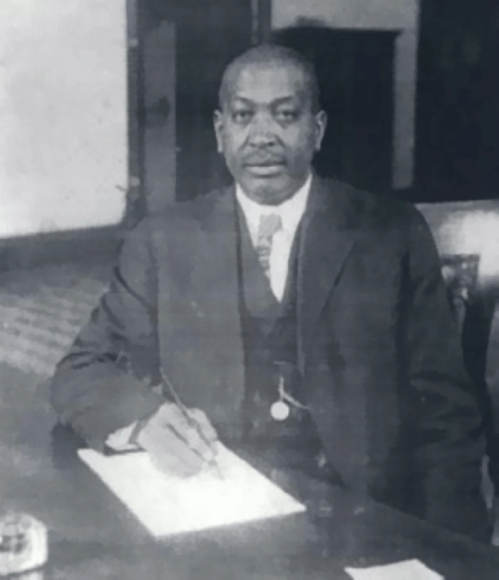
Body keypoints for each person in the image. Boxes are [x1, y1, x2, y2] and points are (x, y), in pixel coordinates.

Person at [50, 44, 490, 541]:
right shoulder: (163, 240)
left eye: (285, 115)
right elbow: (80, 370)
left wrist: (453, 552)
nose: (262, 137)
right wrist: (143, 421)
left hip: (362, 519)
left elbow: (446, 413)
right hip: (218, 510)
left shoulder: (390, 234)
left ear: (317, 130)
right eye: (243, 116)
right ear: (221, 133)